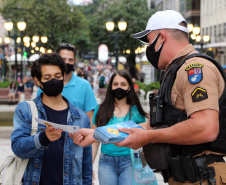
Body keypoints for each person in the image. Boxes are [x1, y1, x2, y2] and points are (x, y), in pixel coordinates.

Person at [113, 10, 226, 185]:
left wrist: (149, 138)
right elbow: (157, 125)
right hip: (187, 176)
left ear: (162, 37)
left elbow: (206, 127)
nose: (148, 48)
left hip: (203, 176)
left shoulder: (195, 68)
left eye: (149, 41)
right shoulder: (174, 71)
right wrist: (98, 134)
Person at [11, 53, 92, 185]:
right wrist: (43, 138)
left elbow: (86, 165)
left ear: (64, 75)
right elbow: (18, 148)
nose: (53, 81)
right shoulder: (25, 110)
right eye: (47, 77)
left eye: (57, 76)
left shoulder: (80, 117)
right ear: (37, 81)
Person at [71, 70, 149, 185]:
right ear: (111, 87)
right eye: (115, 84)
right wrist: (90, 166)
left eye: (123, 84)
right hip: (105, 162)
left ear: (129, 88)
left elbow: (143, 139)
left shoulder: (136, 111)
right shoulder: (101, 109)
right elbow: (95, 140)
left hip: (129, 162)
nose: (119, 87)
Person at [37, 43, 97, 124]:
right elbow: (38, 114)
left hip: (78, 135)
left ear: (74, 61)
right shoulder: (46, 84)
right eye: (63, 59)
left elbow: (91, 119)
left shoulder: (84, 85)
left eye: (70, 60)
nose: (67, 63)